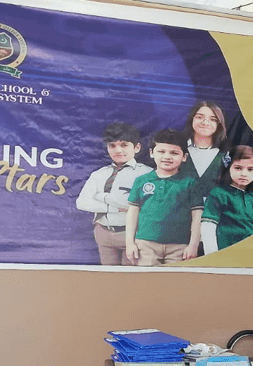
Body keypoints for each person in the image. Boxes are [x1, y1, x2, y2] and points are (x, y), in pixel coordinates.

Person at [76, 122, 152, 265]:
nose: (118, 150)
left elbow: (144, 205)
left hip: (133, 234)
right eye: (112, 146)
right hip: (104, 233)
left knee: (128, 279)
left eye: (124, 145)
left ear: (137, 147)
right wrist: (115, 208)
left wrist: (101, 197)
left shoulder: (146, 174)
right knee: (109, 278)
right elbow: (82, 202)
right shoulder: (99, 174)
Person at [125, 129, 203, 266]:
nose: (167, 157)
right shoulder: (141, 181)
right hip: (145, 244)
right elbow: (132, 213)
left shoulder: (190, 183)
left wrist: (193, 245)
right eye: (161, 151)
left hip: (179, 247)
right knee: (146, 283)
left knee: (175, 285)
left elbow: (197, 216)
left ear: (184, 157)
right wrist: (129, 243)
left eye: (174, 153)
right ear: (151, 153)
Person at [201, 145, 253, 254]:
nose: (244, 174)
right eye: (238, 168)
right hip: (226, 252)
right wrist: (212, 255)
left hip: (251, 253)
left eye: (250, 169)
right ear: (228, 168)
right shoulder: (219, 193)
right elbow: (208, 226)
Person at [180, 100, 228, 201]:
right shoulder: (178, 152)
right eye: (199, 117)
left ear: (218, 124)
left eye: (212, 119)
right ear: (191, 119)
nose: (205, 122)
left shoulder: (226, 157)